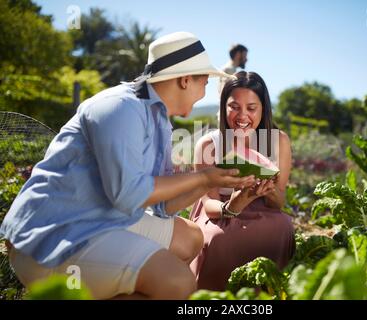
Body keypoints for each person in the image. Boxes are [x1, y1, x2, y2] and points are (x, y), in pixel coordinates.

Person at [0, 32, 257, 300]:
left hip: (100, 217)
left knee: (190, 236)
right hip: (52, 234)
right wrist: (202, 178)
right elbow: (129, 194)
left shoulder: (158, 118)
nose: (204, 93)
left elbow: (162, 207)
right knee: (177, 282)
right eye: (204, 83)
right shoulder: (120, 108)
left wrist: (212, 181)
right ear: (184, 80)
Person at [190, 71, 295, 291]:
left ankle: (264, 298)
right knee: (219, 237)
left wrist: (268, 191)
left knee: (283, 226)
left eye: (251, 108)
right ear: (223, 107)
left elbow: (279, 203)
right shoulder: (209, 145)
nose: (242, 116)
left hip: (263, 209)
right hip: (220, 211)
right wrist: (233, 206)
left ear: (263, 108)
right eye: (234, 107)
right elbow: (208, 203)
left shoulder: (279, 141)